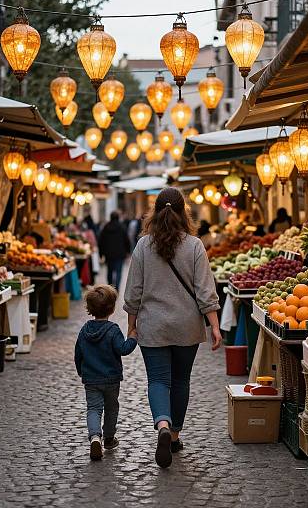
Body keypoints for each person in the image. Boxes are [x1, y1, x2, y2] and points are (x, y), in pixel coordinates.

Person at [123, 187, 222, 469]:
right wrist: (214, 327)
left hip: (153, 325)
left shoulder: (143, 246)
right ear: (183, 212)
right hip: (187, 326)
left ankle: (162, 425)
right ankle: (175, 435)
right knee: (180, 381)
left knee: (158, 380)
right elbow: (206, 292)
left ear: (154, 212)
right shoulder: (194, 246)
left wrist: (132, 326)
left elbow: (133, 292)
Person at [74, 285, 137, 460]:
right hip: (111, 379)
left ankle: (95, 437)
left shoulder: (84, 330)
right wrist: (133, 337)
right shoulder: (113, 330)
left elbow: (78, 354)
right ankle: (108, 438)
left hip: (91, 379)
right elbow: (123, 349)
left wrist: (81, 371)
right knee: (111, 408)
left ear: (90, 308)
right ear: (112, 308)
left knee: (93, 409)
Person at [98, 211, 131, 290]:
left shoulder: (106, 227)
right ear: (118, 217)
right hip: (120, 254)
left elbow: (101, 241)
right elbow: (127, 240)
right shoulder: (122, 227)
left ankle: (110, 287)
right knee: (118, 271)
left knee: (109, 271)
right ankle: (117, 287)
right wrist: (128, 251)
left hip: (108, 254)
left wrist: (101, 253)